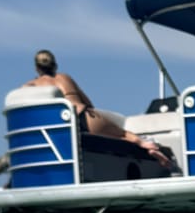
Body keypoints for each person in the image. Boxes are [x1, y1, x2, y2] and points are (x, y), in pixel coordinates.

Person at [21, 50, 174, 171]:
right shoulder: (64, 78)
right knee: (123, 135)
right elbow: (88, 102)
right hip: (84, 115)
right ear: (55, 65)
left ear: (36, 67)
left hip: (62, 125)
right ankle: (147, 146)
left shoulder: (31, 86)